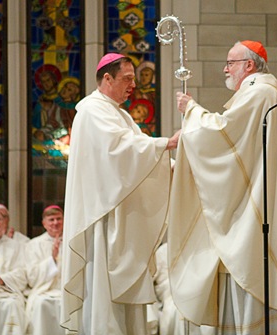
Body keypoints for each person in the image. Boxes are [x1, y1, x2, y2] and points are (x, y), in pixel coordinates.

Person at [170, 40, 277, 334]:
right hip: (260, 192)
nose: (225, 69)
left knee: (250, 262)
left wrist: (192, 110)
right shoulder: (271, 93)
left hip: (257, 203)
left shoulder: (260, 92)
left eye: (230, 63)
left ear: (249, 65)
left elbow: (224, 136)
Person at [60, 53, 180, 334]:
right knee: (104, 294)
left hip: (121, 219)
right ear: (107, 78)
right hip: (103, 217)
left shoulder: (119, 114)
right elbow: (120, 151)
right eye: (127, 79)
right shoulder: (91, 110)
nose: (132, 86)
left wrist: (174, 168)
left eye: (134, 80)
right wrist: (166, 144)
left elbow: (137, 155)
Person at [0, 207, 28, 335]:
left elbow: (23, 275)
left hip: (8, 294)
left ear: (4, 222)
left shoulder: (16, 246)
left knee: (13, 305)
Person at [25, 205, 64, 335]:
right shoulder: (33, 245)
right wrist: (52, 258)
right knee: (42, 304)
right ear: (44, 223)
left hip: (66, 290)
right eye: (51, 220)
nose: (55, 223)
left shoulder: (73, 242)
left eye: (58, 219)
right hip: (44, 291)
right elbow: (32, 278)